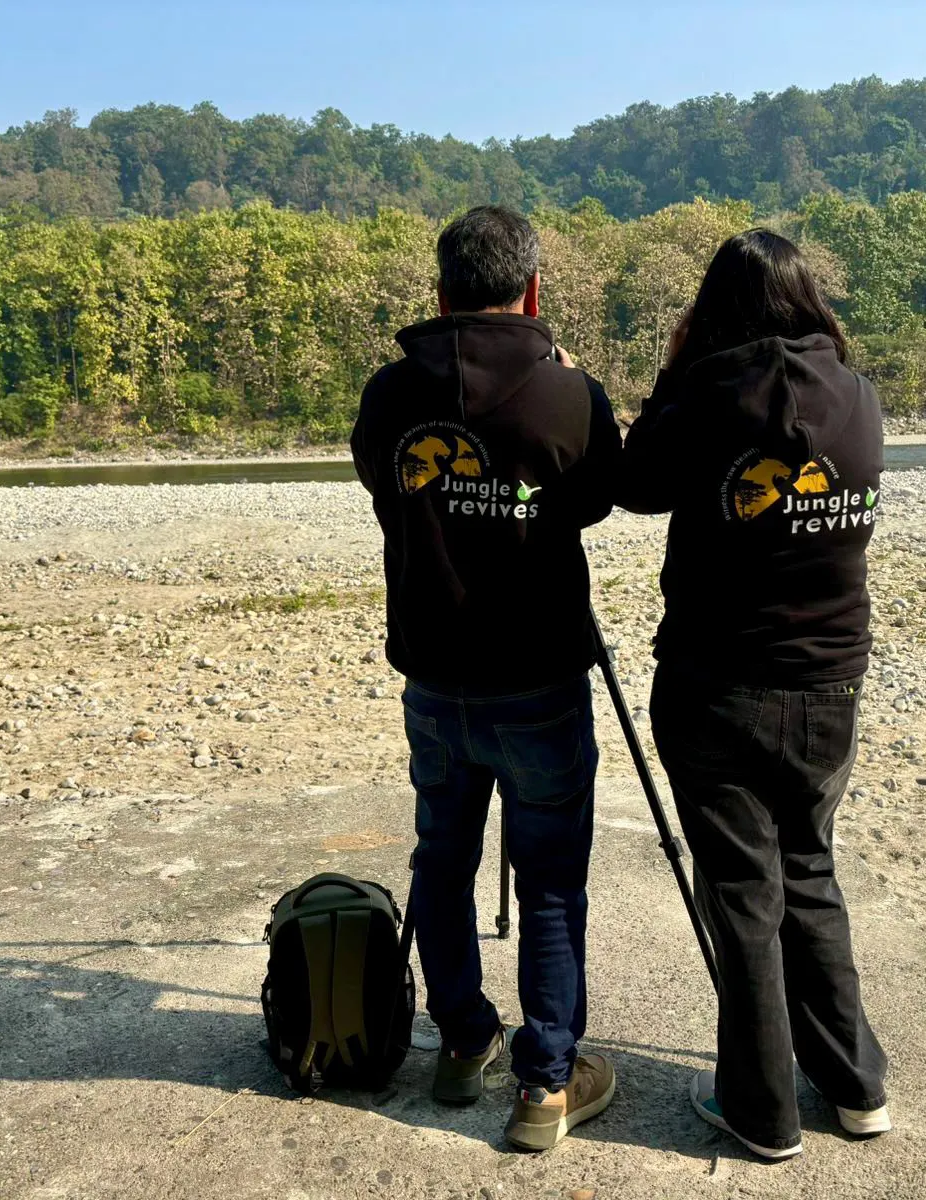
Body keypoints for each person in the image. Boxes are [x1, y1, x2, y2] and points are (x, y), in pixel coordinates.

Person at [351, 205, 622, 1152]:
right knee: (549, 883)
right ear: (533, 289)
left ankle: (465, 1042)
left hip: (435, 679)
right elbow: (597, 500)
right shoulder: (569, 398)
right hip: (540, 676)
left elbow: (382, 487)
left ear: (439, 292)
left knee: (442, 859)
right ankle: (545, 1084)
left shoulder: (388, 397)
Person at [618, 229, 891, 1161]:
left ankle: (763, 1113)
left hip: (719, 682)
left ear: (714, 312)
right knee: (809, 867)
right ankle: (856, 1088)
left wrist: (671, 368)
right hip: (830, 679)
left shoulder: (709, 392)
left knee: (742, 891)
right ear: (807, 298)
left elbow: (633, 482)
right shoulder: (857, 395)